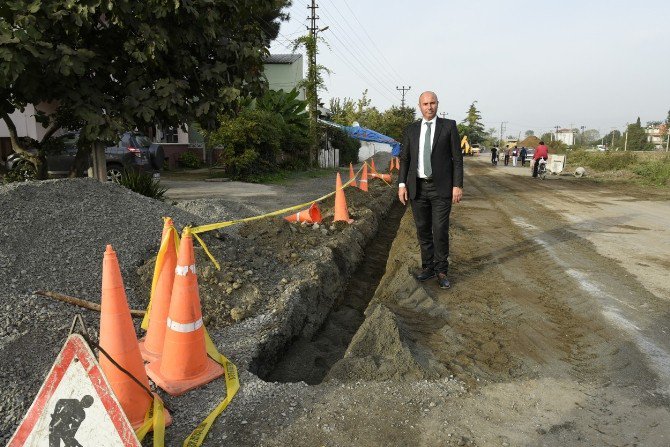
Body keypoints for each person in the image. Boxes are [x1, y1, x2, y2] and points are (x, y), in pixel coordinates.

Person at [398, 91, 464, 289]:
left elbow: (457, 159)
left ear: (437, 104)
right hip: (418, 188)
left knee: (440, 230)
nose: (429, 107)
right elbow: (405, 159)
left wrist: (457, 185)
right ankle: (427, 267)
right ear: (420, 106)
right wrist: (402, 184)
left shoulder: (449, 126)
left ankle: (441, 270)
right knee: (423, 230)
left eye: (432, 103)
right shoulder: (411, 130)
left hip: (441, 188)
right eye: (425, 104)